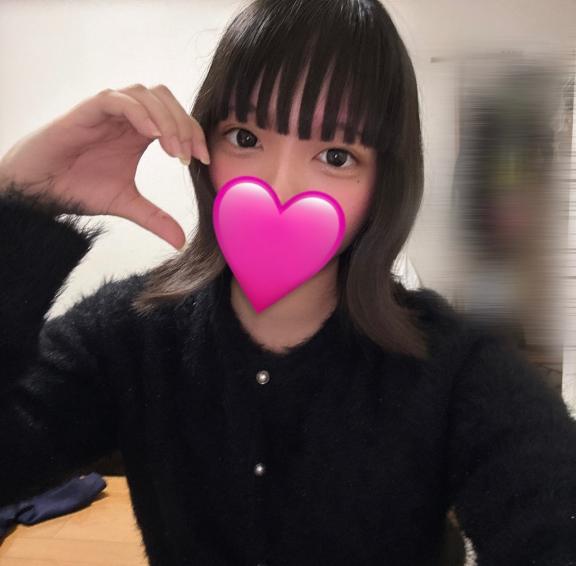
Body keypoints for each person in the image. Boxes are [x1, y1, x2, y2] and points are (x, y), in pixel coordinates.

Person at [1, 1, 575, 565]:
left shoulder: (455, 366)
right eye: (246, 137)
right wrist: (18, 202)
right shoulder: (128, 333)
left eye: (336, 155)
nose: (279, 187)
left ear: (384, 183)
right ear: (203, 147)